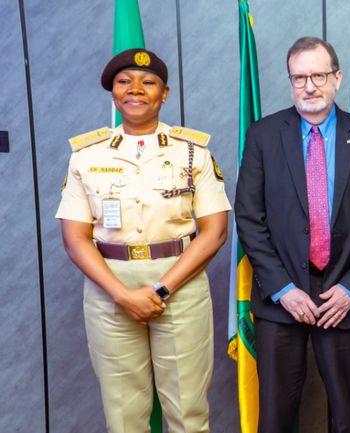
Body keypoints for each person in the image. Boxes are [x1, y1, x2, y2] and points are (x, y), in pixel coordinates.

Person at [56, 48, 230, 433]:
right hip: (109, 287)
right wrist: (122, 295)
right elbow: (75, 239)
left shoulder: (192, 152)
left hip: (180, 283)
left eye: (148, 82)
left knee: (188, 413)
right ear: (113, 93)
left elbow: (215, 231)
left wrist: (162, 289)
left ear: (164, 94)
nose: (135, 89)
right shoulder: (86, 156)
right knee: (124, 417)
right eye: (124, 82)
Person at [234, 36, 350, 433]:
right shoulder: (263, 135)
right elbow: (249, 219)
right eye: (299, 78)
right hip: (280, 297)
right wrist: (283, 288)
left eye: (318, 75)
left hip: (344, 297)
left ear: (337, 78)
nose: (309, 86)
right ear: (290, 82)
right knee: (275, 417)